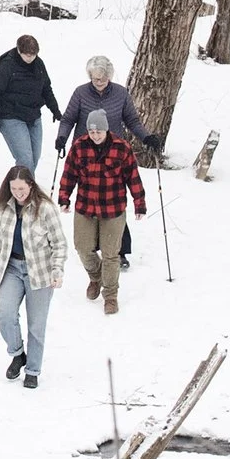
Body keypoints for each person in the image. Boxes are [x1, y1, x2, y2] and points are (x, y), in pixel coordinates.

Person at [56, 55, 153, 274]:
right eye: (94, 78)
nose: (98, 82)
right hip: (85, 153)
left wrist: (146, 138)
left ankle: (118, 251)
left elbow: (132, 120)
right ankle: (91, 248)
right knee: (89, 200)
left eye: (102, 78)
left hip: (113, 153)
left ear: (109, 76)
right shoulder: (81, 93)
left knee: (113, 202)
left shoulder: (121, 94)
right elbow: (68, 119)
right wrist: (62, 137)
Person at [56, 108, 147, 314]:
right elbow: (69, 174)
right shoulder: (79, 147)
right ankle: (96, 277)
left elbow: (133, 177)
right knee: (82, 248)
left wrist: (139, 202)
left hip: (113, 208)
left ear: (106, 130)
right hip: (85, 207)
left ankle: (111, 296)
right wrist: (64, 197)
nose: (95, 135)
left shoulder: (121, 148)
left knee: (110, 254)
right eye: (91, 131)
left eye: (98, 131)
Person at [0, 163, 68, 389]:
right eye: (13, 189)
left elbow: (59, 243)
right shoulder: (4, 208)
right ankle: (17, 353)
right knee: (5, 313)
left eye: (21, 189)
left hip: (39, 271)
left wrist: (57, 270)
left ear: (31, 185)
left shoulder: (45, 209)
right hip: (12, 267)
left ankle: (32, 370)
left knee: (36, 325)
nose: (18, 193)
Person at [0, 34, 60, 174]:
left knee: (34, 158)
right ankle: (25, 188)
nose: (30, 58)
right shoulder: (7, 65)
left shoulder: (39, 64)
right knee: (25, 159)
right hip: (11, 116)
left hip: (33, 115)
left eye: (33, 55)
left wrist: (55, 110)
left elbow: (46, 88)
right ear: (19, 51)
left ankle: (20, 184)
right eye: (27, 55)